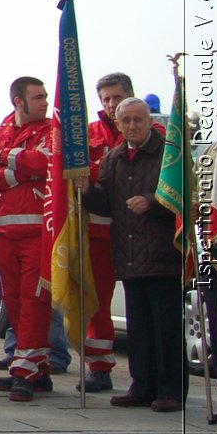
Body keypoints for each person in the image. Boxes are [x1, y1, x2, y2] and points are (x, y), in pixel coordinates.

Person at [82, 98, 187, 411]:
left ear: (148, 120)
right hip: (129, 257)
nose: (131, 125)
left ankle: (171, 390)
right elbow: (106, 203)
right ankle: (142, 386)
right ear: (118, 124)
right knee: (139, 329)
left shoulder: (169, 153)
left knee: (166, 329)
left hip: (163, 255)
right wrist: (86, 191)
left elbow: (184, 195)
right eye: (125, 120)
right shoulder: (114, 157)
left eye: (137, 119)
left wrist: (153, 202)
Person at [0, 76, 55, 402]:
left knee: (35, 300)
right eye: (38, 97)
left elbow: (46, 162)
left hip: (38, 231)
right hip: (5, 232)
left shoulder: (52, 130)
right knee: (14, 302)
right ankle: (37, 369)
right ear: (18, 101)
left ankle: (23, 372)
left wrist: (5, 158)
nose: (45, 101)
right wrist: (19, 168)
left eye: (46, 96)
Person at [78, 71, 149, 393]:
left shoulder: (150, 131)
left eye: (116, 97)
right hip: (98, 230)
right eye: (105, 99)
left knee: (143, 304)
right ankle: (100, 367)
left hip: (142, 232)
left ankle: (149, 374)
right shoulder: (86, 133)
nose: (110, 104)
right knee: (97, 303)